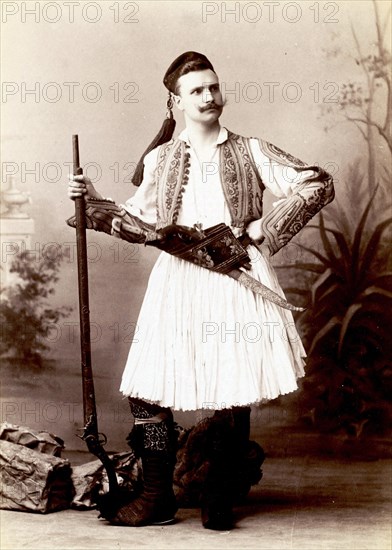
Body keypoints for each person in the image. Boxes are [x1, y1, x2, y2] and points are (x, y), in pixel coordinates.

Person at [68, 51, 334, 530]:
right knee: (148, 388)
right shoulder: (160, 158)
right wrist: (93, 200)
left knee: (232, 388)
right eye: (197, 91)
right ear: (176, 101)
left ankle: (219, 493)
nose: (210, 97)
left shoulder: (251, 149)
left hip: (236, 273)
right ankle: (155, 496)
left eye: (213, 87)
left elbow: (316, 183)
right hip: (179, 278)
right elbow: (141, 222)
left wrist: (263, 229)